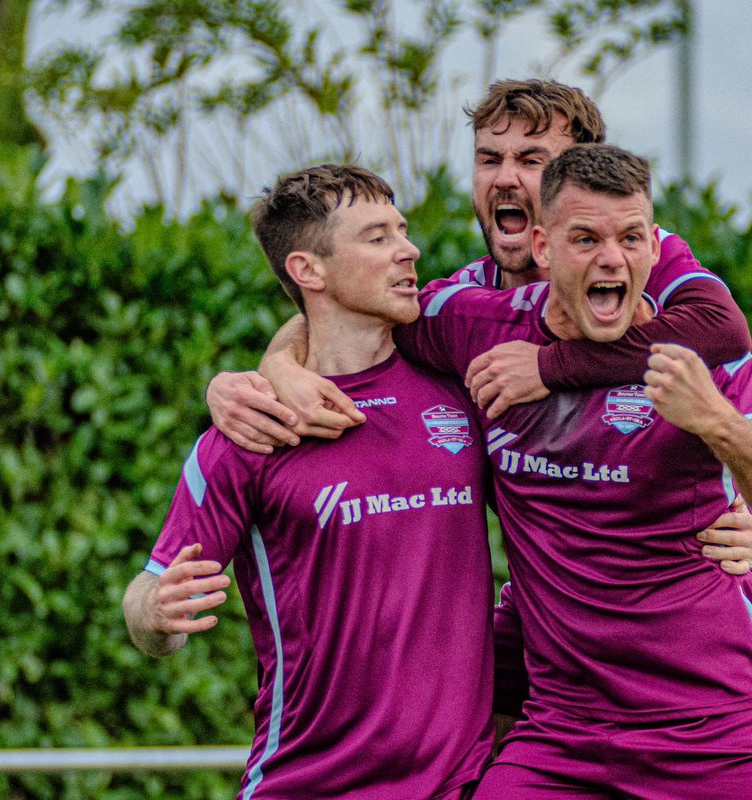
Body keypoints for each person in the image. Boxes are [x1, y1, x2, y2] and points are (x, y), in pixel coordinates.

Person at [211, 80, 752, 800]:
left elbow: (729, 341)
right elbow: (346, 309)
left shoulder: (665, 290)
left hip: (700, 618)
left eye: (533, 159)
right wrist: (276, 366)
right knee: (477, 733)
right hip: (550, 612)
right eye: (490, 158)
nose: (507, 176)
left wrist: (556, 368)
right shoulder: (461, 309)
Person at [408, 143, 752, 796]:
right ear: (542, 247)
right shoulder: (476, 325)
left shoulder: (704, 361)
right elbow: (356, 313)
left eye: (630, 238)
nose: (611, 258)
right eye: (586, 238)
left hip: (718, 733)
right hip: (562, 735)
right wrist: (272, 370)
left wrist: (716, 423)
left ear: (655, 248)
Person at [122, 165, 496, 799]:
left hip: (460, 783)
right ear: (308, 270)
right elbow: (146, 597)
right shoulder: (250, 432)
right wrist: (157, 613)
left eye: (402, 230)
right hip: (306, 783)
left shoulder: (463, 391)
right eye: (377, 238)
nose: (410, 250)